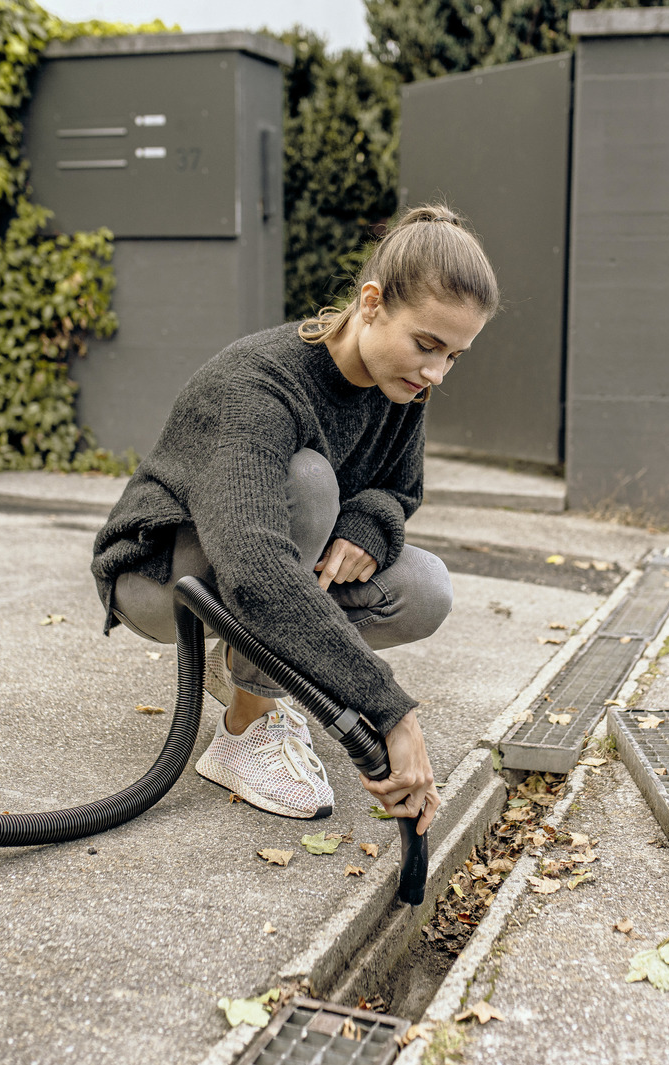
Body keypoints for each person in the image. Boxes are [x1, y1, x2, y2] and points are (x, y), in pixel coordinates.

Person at [91, 205, 498, 837]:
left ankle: (245, 668)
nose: (435, 374)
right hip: (160, 577)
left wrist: (369, 523)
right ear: (371, 304)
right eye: (426, 345)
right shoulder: (258, 384)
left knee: (424, 589)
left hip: (249, 572)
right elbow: (253, 568)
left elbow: (399, 490)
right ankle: (246, 726)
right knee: (307, 482)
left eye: (454, 356)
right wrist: (390, 711)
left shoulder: (401, 386)